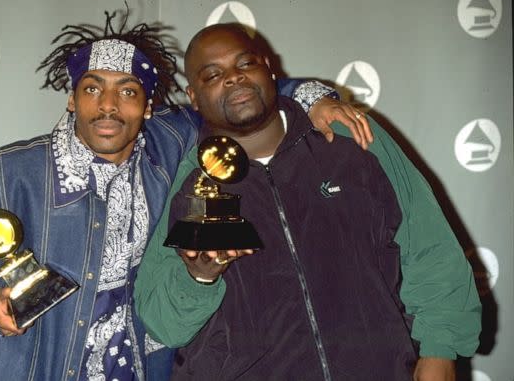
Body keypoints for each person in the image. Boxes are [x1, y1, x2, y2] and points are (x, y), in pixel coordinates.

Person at [0, 10, 368, 381]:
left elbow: (239, 93)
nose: (108, 105)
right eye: (92, 89)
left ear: (148, 106)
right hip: (25, 363)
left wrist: (312, 97)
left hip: (135, 366)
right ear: (72, 98)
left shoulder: (170, 144)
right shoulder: (7, 171)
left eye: (127, 92)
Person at [133, 23, 481, 381]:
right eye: (213, 74)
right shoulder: (193, 183)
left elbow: (429, 247)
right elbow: (165, 324)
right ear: (194, 96)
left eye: (245, 63)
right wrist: (199, 277)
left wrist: (440, 349)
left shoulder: (354, 141)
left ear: (269, 68)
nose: (234, 78)